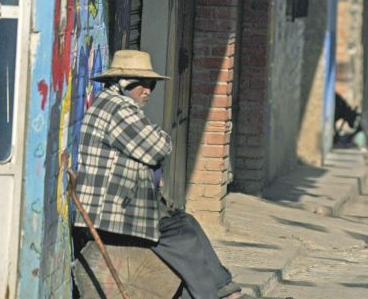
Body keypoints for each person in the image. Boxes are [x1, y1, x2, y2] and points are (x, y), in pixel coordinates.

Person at [73, 50, 245, 299]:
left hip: (118, 204)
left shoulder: (114, 105)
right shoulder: (118, 109)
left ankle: (224, 289)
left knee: (187, 223)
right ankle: (215, 294)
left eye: (151, 84)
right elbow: (159, 146)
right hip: (110, 213)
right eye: (142, 84)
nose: (148, 90)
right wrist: (158, 140)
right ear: (123, 84)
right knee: (181, 235)